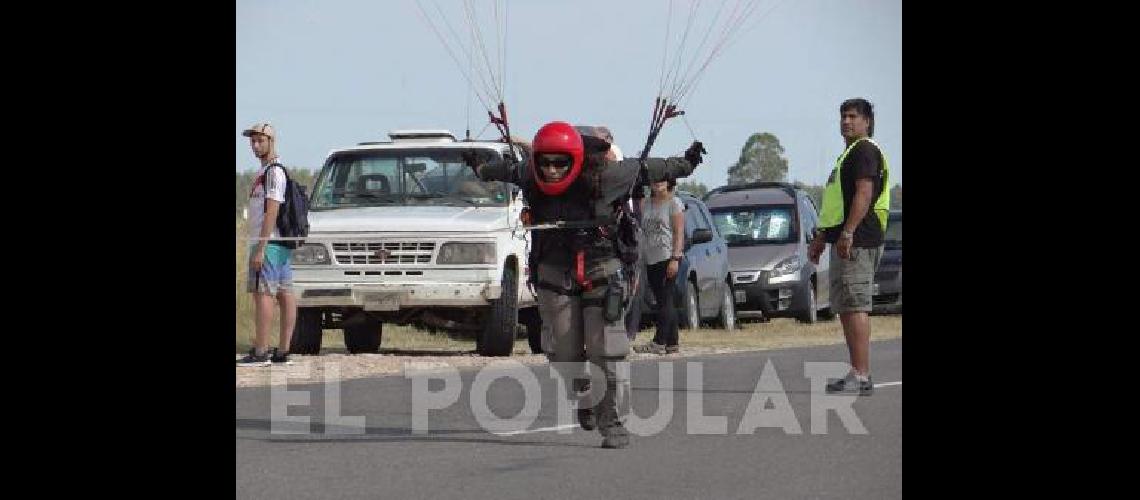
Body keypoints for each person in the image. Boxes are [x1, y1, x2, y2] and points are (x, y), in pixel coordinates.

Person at [469, 122, 705, 448]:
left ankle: (611, 419)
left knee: (604, 349)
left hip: (601, 268)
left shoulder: (608, 176)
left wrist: (687, 163)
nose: (551, 170)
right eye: (545, 163)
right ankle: (586, 398)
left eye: (560, 163)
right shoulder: (531, 173)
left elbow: (652, 169)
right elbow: (505, 169)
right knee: (562, 350)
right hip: (555, 271)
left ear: (575, 160)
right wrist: (481, 168)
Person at [808, 98, 892, 396]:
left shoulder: (865, 150)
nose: (846, 121)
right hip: (844, 239)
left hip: (858, 239)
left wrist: (848, 233)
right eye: (843, 116)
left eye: (853, 117)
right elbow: (835, 204)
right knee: (845, 306)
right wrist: (821, 237)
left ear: (867, 122)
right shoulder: (849, 154)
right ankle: (856, 370)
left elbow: (864, 193)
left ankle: (862, 373)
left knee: (855, 305)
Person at [237, 122, 297, 367]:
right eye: (252, 141)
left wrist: (260, 247)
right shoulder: (266, 172)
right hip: (276, 244)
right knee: (284, 293)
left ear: (271, 142)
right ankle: (282, 351)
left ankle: (261, 350)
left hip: (269, 243)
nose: (255, 145)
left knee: (264, 294)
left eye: (260, 140)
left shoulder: (274, 172)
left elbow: (272, 210)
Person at [634, 177, 685, 354]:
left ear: (669, 183)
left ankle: (659, 342)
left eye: (662, 180)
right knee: (664, 300)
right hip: (651, 257)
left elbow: (679, 233)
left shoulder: (674, 203)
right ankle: (672, 342)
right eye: (655, 181)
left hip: (667, 256)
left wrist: (675, 258)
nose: (658, 184)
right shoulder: (646, 203)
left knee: (665, 300)